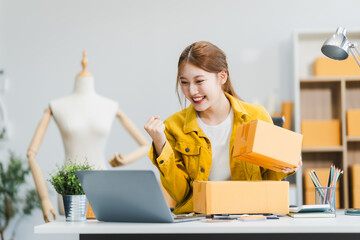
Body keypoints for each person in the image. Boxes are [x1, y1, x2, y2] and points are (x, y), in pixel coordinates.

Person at [144, 41, 300, 214]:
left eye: (199, 81)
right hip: (199, 219)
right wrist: (160, 144)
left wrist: (285, 164)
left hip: (249, 217)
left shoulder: (256, 116)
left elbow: (269, 180)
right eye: (185, 82)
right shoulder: (174, 126)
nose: (192, 91)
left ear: (222, 77)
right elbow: (180, 195)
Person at [27, 52, 150, 222]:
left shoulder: (110, 106)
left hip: (103, 188)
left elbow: (146, 145)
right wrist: (44, 199)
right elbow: (31, 154)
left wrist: (125, 159)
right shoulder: (57, 106)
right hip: (69, 189)